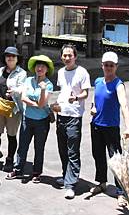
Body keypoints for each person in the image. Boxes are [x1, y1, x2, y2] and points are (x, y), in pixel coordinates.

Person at [89, 51, 129, 208]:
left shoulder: (118, 84)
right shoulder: (98, 81)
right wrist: (93, 108)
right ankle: (102, 184)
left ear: (116, 67)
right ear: (102, 65)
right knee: (98, 155)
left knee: (116, 160)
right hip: (96, 125)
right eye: (106, 65)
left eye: (111, 65)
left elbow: (124, 105)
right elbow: (95, 99)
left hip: (111, 128)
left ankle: (121, 193)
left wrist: (128, 127)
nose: (108, 68)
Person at [51, 44, 91, 199]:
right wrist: (56, 105)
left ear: (75, 56)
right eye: (64, 55)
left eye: (70, 55)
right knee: (62, 149)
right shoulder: (60, 72)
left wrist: (76, 97)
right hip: (62, 114)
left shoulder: (82, 72)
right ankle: (65, 175)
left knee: (72, 150)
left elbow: (86, 93)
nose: (67, 58)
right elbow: (63, 92)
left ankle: (71, 184)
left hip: (74, 116)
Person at [6, 54, 54, 183]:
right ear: (34, 68)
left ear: (47, 69)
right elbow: (23, 98)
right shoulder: (29, 80)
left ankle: (36, 172)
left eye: (43, 66)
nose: (40, 68)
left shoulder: (48, 84)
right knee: (22, 145)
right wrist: (36, 104)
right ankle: (18, 169)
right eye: (38, 66)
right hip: (27, 118)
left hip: (42, 122)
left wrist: (42, 91)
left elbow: (43, 103)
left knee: (39, 147)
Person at [0, 46, 26, 172]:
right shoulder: (0, 70)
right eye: (7, 56)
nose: (10, 58)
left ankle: (10, 159)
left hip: (13, 108)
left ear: (17, 59)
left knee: (11, 135)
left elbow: (22, 88)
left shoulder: (21, 73)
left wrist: (14, 91)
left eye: (13, 56)